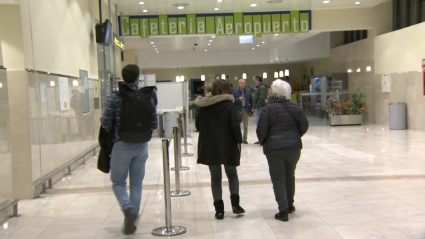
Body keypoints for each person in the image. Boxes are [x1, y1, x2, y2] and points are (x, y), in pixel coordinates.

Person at [100, 64, 157, 235]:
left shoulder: (115, 98)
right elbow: (154, 123)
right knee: (137, 185)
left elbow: (105, 122)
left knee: (118, 182)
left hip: (121, 145)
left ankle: (127, 208)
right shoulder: (147, 96)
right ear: (138, 78)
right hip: (141, 146)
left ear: (122, 78)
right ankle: (130, 222)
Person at [256, 79, 309, 222]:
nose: (269, 91)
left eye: (271, 89)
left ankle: (283, 210)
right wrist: (295, 137)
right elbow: (304, 125)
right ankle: (290, 205)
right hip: (293, 148)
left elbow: (261, 130)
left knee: (278, 178)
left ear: (275, 92)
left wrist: (265, 141)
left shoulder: (268, 109)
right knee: (289, 176)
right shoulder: (295, 107)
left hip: (274, 149)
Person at [195, 80, 245, 220]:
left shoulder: (204, 106)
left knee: (215, 177)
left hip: (210, 145)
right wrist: (239, 140)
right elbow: (235, 125)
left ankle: (219, 210)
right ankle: (235, 205)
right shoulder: (229, 105)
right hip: (228, 145)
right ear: (225, 91)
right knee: (232, 174)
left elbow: (198, 125)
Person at [233, 79, 253, 144]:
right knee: (237, 124)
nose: (243, 84)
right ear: (239, 84)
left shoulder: (248, 91)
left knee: (245, 125)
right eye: (242, 83)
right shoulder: (235, 92)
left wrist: (252, 107)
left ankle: (244, 139)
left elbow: (251, 100)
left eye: (244, 83)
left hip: (245, 109)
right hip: (238, 109)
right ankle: (238, 138)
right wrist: (238, 99)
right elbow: (233, 100)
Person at [252, 75, 268, 144]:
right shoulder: (260, 87)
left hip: (260, 107)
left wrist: (256, 106)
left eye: (255, 79)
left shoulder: (261, 87)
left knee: (260, 124)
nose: (254, 81)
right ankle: (261, 138)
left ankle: (262, 139)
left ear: (257, 80)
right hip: (259, 107)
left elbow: (261, 98)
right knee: (259, 124)